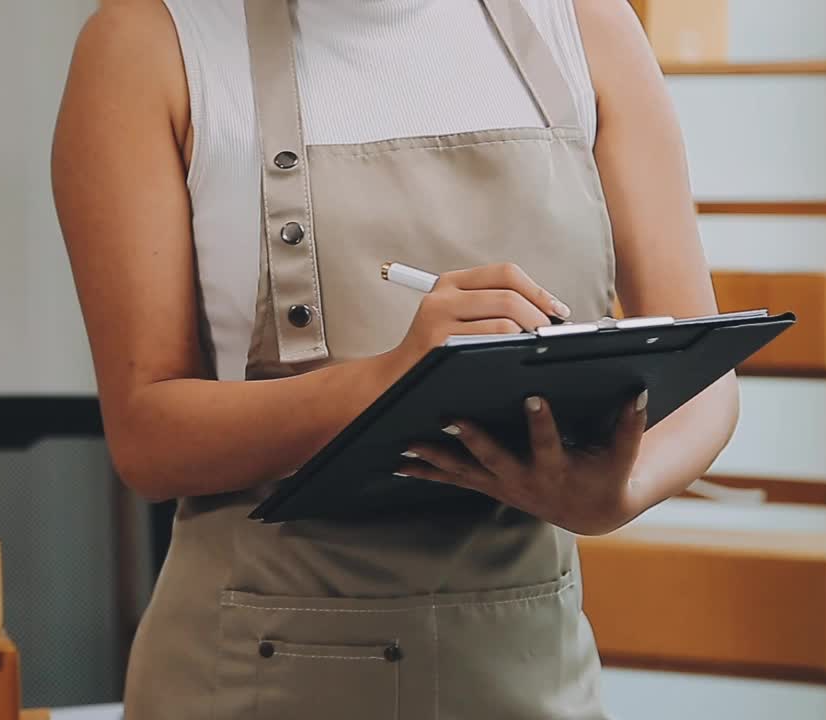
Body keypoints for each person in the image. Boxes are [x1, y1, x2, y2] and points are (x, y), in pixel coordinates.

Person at [52, 0, 738, 716]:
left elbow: (706, 375)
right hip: (258, 683)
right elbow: (147, 438)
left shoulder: (583, 25)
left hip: (531, 673)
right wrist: (388, 379)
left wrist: (618, 494)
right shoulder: (149, 42)